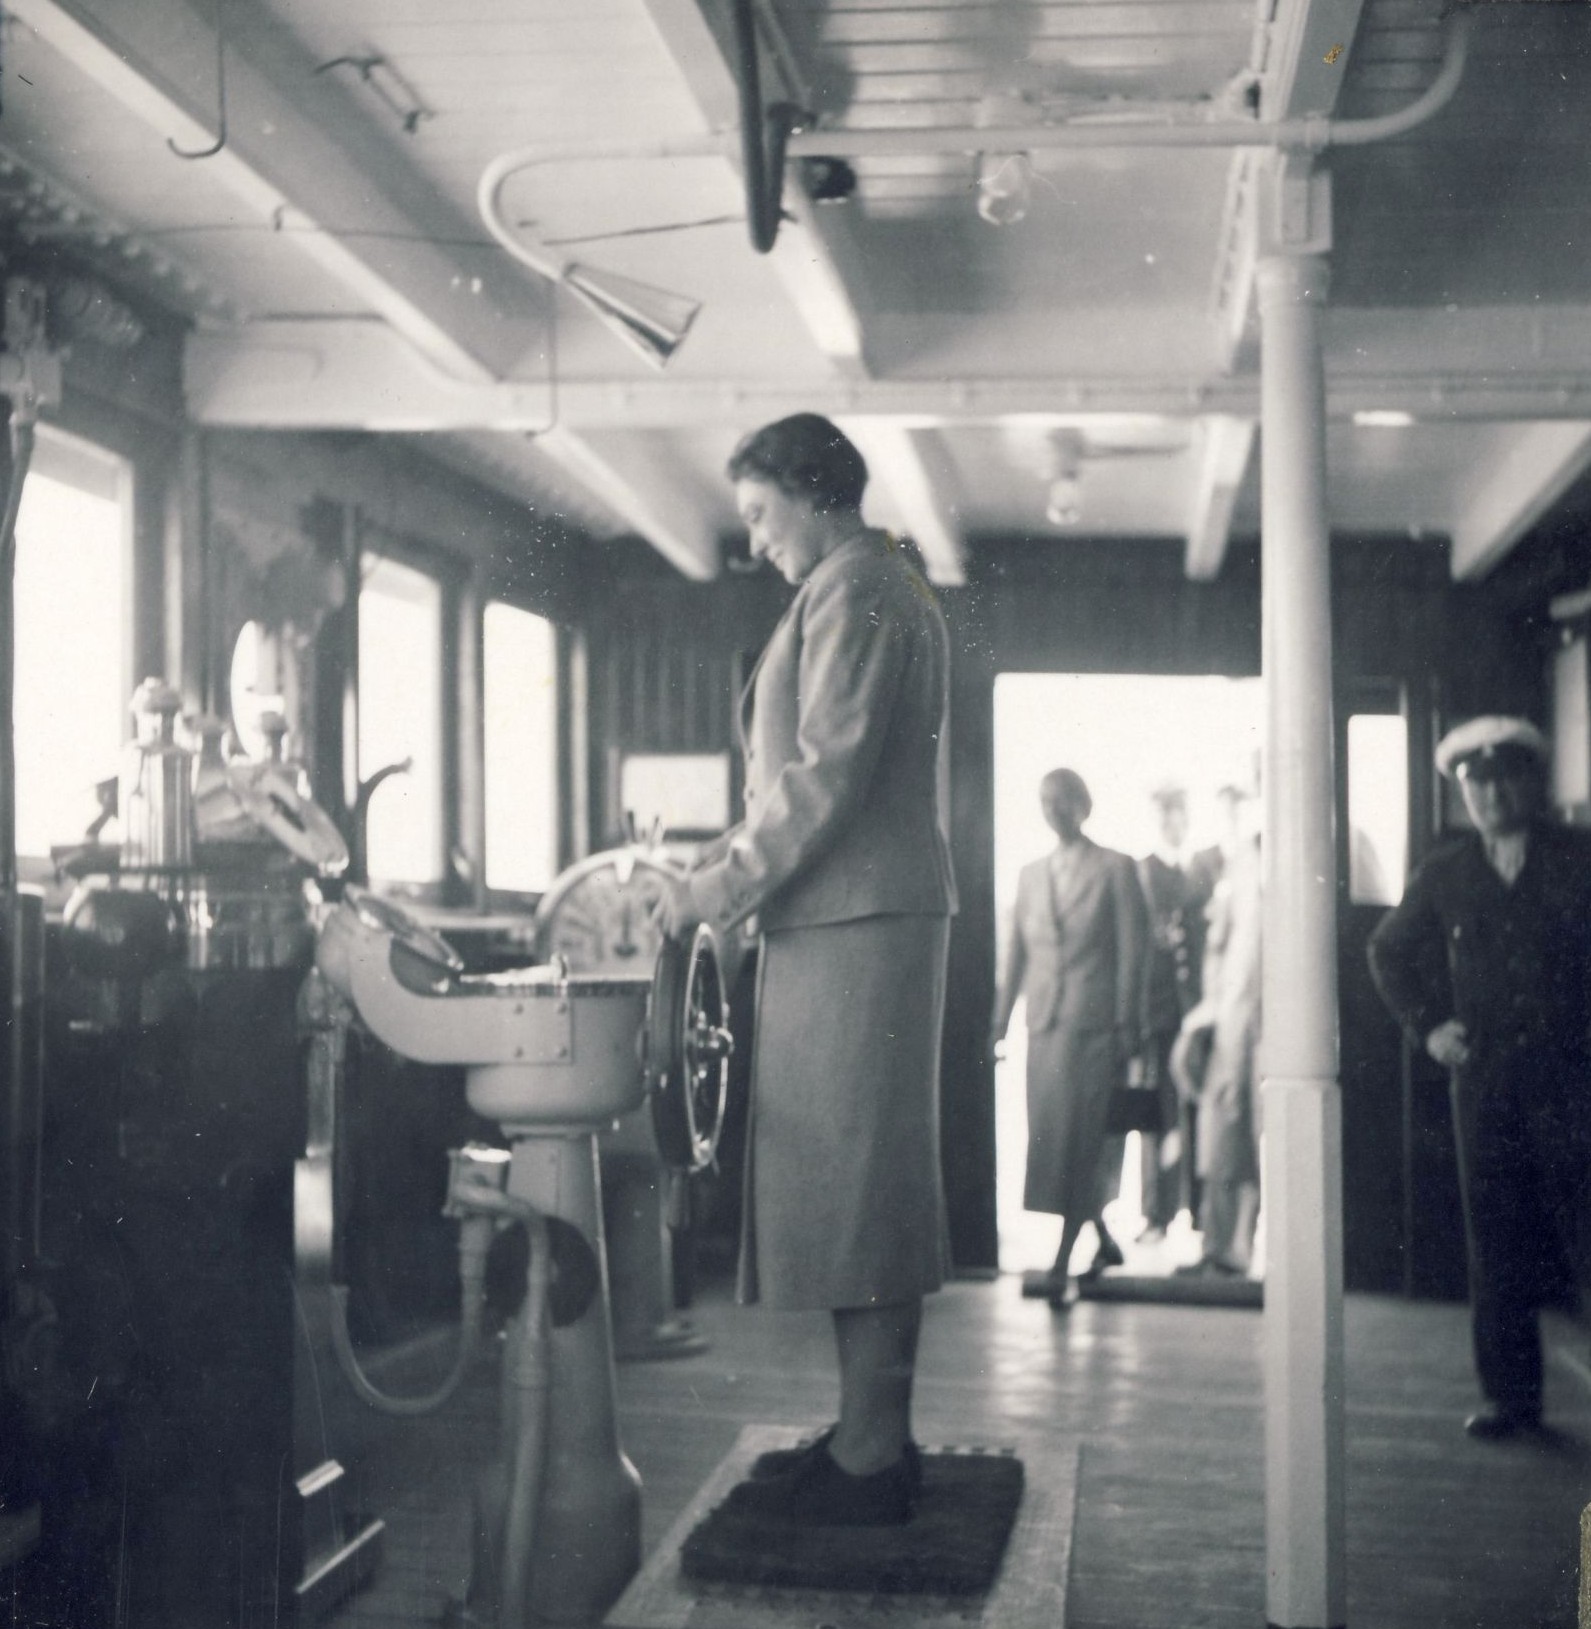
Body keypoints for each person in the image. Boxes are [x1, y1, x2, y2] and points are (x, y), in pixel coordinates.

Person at [657, 413, 956, 1524]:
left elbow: (824, 777)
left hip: (853, 922)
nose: (752, 539)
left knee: (859, 1186)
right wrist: (717, 874)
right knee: (851, 1185)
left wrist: (712, 892)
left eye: (758, 512)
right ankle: (870, 1435)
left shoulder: (858, 585)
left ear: (810, 491)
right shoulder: (861, 582)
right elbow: (804, 783)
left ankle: (872, 1457)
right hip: (846, 917)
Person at [1367, 715, 1591, 1440]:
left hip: (1573, 1081)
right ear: (1463, 792)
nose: (1492, 795)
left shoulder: (1578, 859)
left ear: (1530, 782)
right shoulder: (1447, 872)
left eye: (1505, 779)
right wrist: (1430, 1025)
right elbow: (1387, 950)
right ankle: (1510, 1400)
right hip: (1488, 1085)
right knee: (1495, 1239)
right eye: (1477, 783)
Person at [990, 768, 1146, 1306]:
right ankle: (1101, 1238)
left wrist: (1128, 1024)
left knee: (1086, 1141)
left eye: (1063, 800)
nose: (1053, 810)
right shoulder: (1030, 875)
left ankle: (1061, 1262)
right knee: (1056, 1143)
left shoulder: (1116, 868)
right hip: (1045, 1029)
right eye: (1045, 802)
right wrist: (999, 1023)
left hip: (1097, 1028)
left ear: (1084, 805)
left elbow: (1133, 952)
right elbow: (1015, 957)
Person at [1172, 811, 1263, 1277]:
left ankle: (1247, 1251)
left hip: (1281, 1027)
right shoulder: (1244, 860)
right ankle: (1220, 1248)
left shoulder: (1307, 855)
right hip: (1233, 1022)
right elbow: (1219, 946)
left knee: (1268, 1140)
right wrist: (1204, 1018)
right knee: (1223, 1137)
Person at [1136, 781, 1217, 1241]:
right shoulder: (1143, 872)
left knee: (1204, 1110)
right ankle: (1157, 1215)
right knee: (1162, 1114)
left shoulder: (1205, 868)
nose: (1173, 823)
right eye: (1165, 815)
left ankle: (1203, 1214)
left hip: (1203, 1010)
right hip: (1163, 1013)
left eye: (1179, 813)